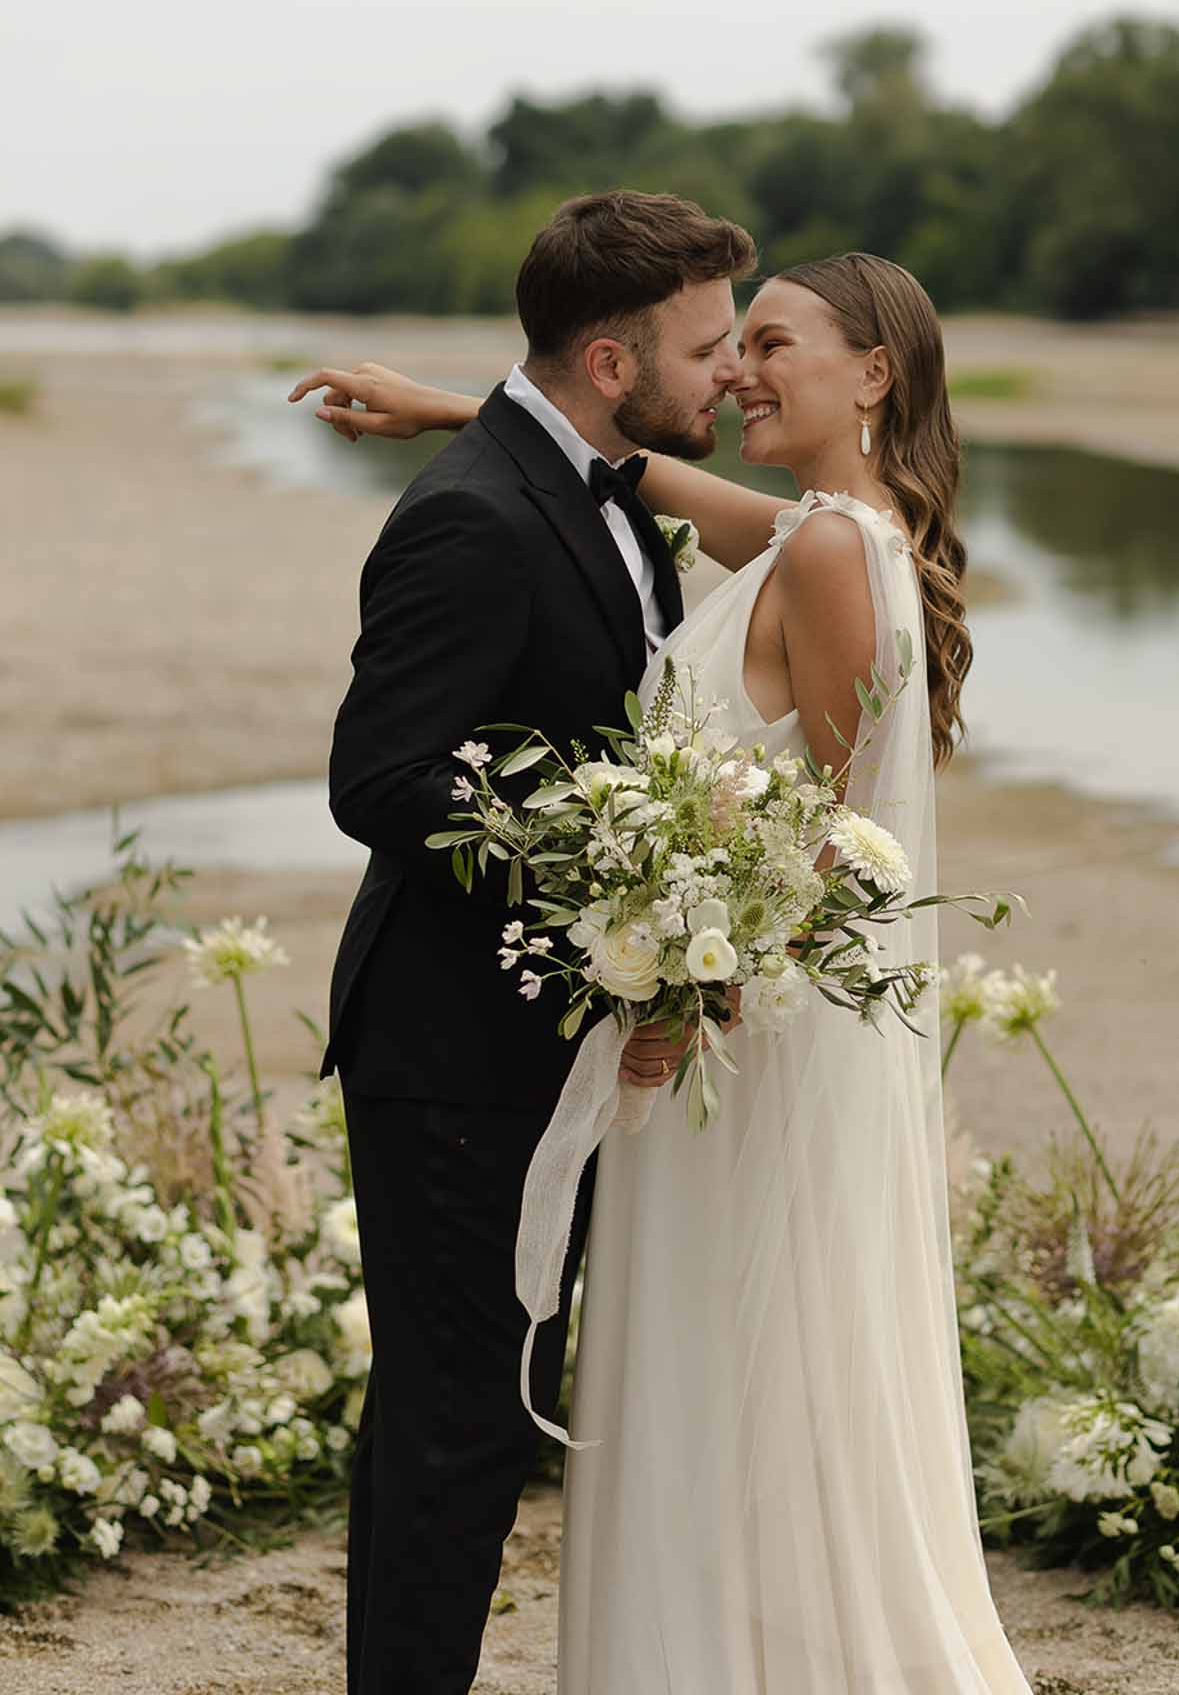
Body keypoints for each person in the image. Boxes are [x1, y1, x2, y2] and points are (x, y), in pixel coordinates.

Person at [293, 250, 1033, 1689]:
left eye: (769, 344)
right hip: (694, 1024)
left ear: (871, 375)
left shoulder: (826, 550)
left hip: (723, 1038)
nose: (742, 371)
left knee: (721, 1371)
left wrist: (689, 991)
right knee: (701, 1379)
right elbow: (599, 469)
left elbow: (819, 838)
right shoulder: (825, 528)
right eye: (725, 347)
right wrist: (451, 408)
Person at [306, 188, 756, 1695]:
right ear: (613, 364)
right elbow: (379, 778)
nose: (732, 375)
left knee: (483, 1410)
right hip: (451, 1050)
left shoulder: (600, 478)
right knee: (456, 1424)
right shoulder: (471, 513)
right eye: (707, 348)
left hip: (537, 1041)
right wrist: (607, 906)